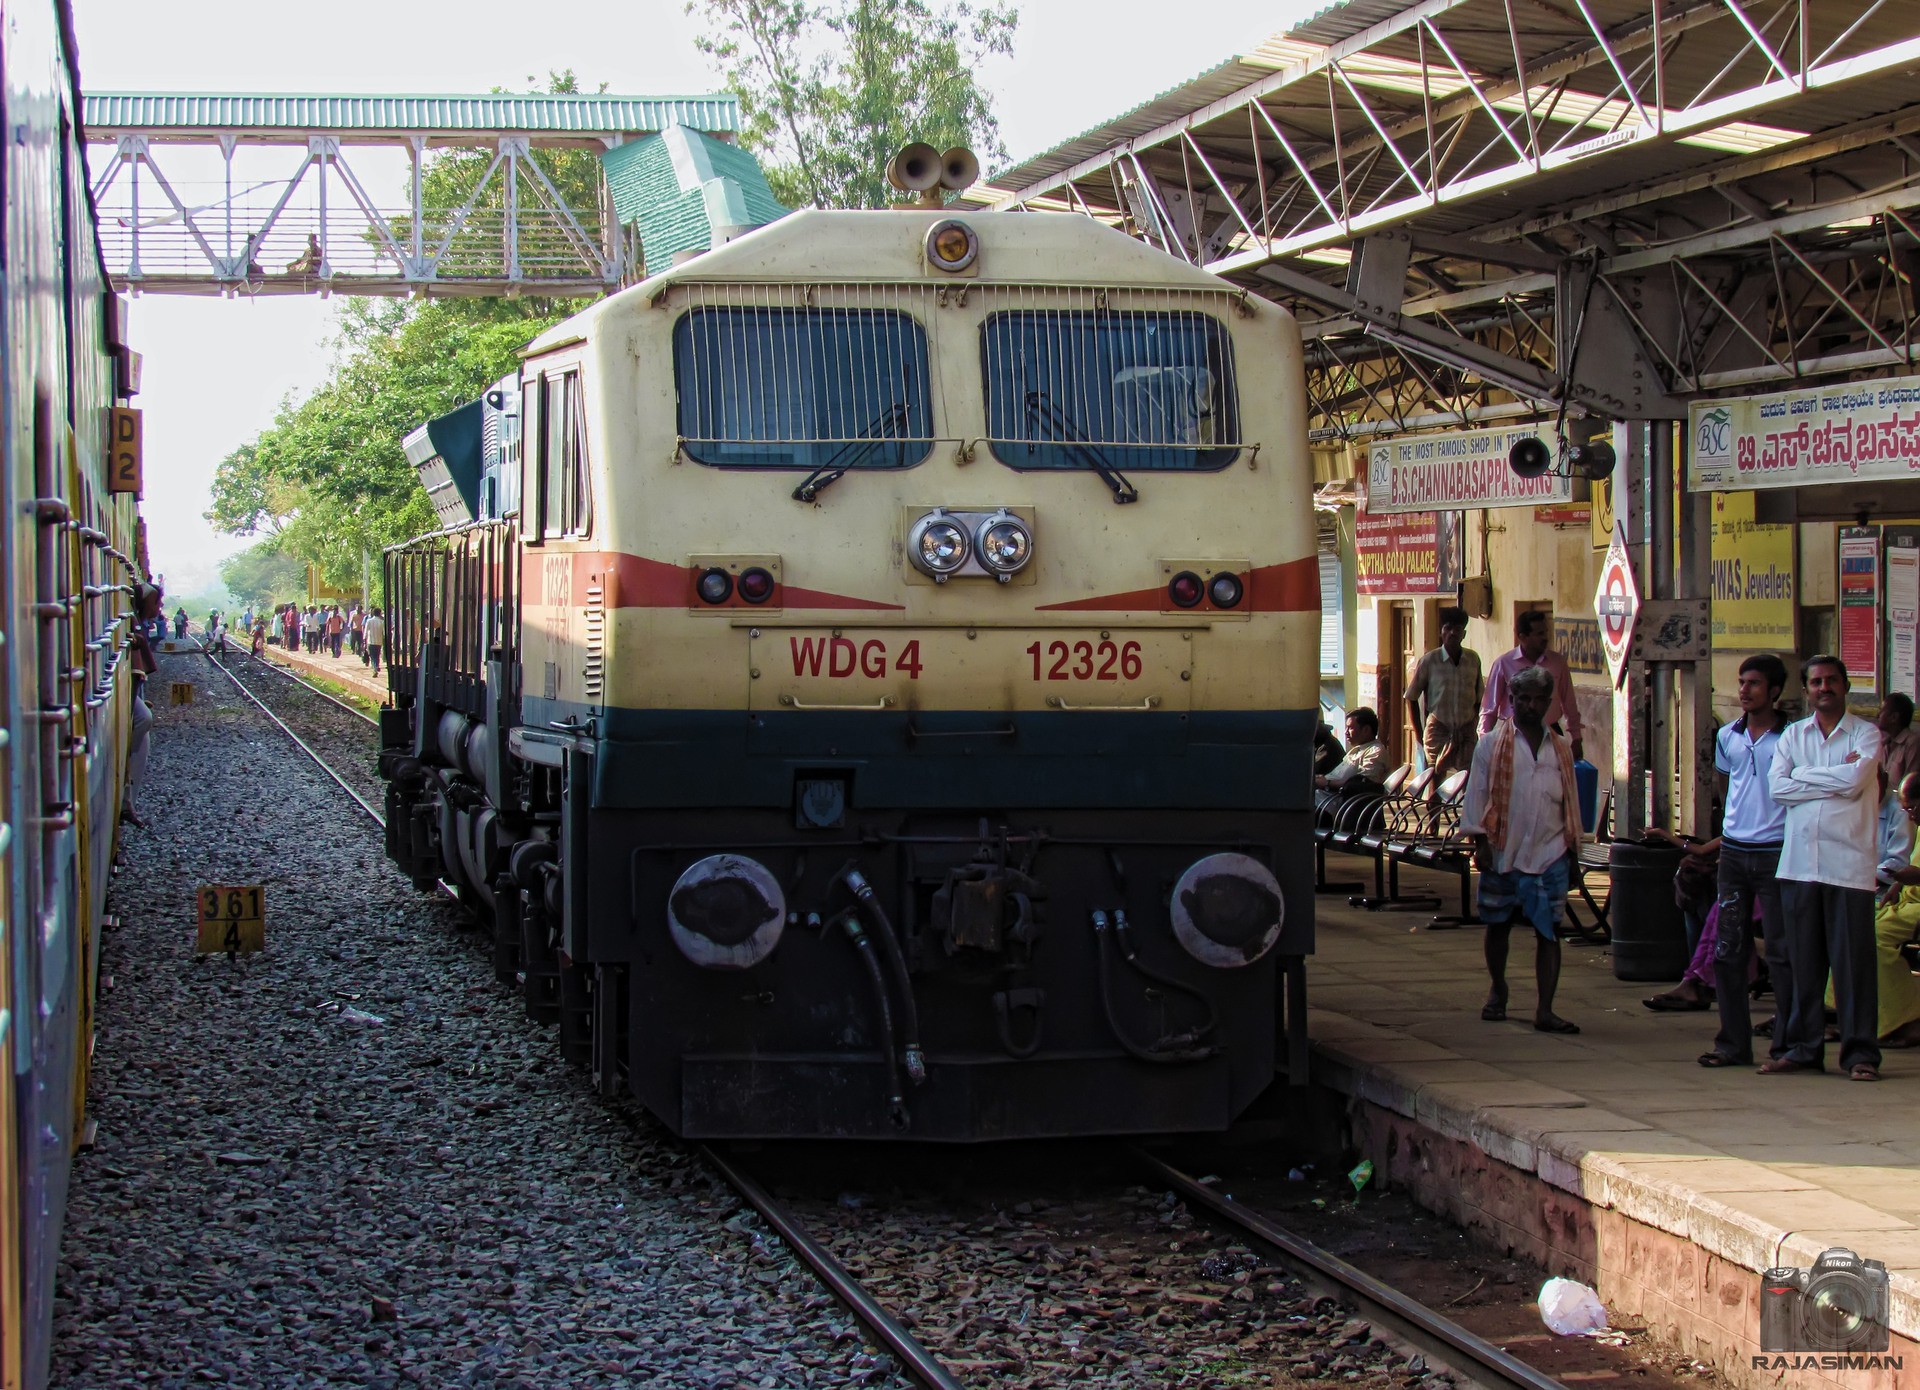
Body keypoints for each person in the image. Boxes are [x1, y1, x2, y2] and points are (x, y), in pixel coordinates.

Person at [1767, 653, 1882, 1080]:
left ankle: (1860, 1055)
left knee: (1853, 967)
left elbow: (1855, 785)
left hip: (1848, 865)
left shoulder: (1866, 735)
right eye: (1816, 682)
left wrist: (1806, 778)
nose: (1824, 688)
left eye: (1832, 680)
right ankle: (1802, 1049)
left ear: (1846, 685)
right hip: (1799, 865)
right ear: (1807, 689)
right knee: (1803, 965)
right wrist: (1832, 775)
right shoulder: (1793, 735)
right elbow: (1778, 787)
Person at [1679, 654, 1795, 1069]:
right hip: (1735, 854)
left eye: (1755, 684)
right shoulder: (1728, 735)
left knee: (1781, 954)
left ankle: (1787, 1045)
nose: (1745, 690)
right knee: (1728, 950)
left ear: (1775, 691)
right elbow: (1729, 789)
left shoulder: (1792, 738)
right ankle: (1732, 1043)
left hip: (1777, 853)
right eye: (1742, 683)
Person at [1461, 665, 1583, 1034]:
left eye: (1538, 699)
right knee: (1497, 925)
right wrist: (1480, 841)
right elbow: (1477, 794)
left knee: (1549, 932)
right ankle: (1498, 990)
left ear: (1549, 703)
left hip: (1550, 850)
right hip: (1503, 849)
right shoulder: (1491, 745)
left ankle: (1545, 1009)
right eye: (1522, 698)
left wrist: (1573, 851)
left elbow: (1570, 803)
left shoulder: (1560, 748)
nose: (1530, 705)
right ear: (1511, 701)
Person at [1479, 610, 1583, 761]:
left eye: (1546, 632)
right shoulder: (1503, 664)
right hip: (1514, 735)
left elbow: (1569, 703)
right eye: (1539, 634)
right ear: (1523, 637)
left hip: (1550, 733)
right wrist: (1484, 743)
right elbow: (1489, 709)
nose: (1545, 638)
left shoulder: (1557, 662)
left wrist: (1577, 738)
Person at [1868, 773, 1920, 1049]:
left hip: (1918, 905)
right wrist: (1896, 887)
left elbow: (1911, 869)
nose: (1910, 816)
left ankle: (1906, 1019)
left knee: (1876, 937)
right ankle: (1842, 1012)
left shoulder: (1900, 817)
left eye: (1912, 808)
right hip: (1908, 898)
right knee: (1855, 927)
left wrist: (1899, 878)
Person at [1405, 606, 1483, 778]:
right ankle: (1434, 805)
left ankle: (1463, 806)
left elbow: (1479, 698)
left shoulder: (1473, 659)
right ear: (1441, 632)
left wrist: (1474, 723)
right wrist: (1419, 734)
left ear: (1464, 634)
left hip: (1466, 729)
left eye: (1457, 629)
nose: (1452, 633)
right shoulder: (1429, 661)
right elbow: (1411, 697)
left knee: (1468, 781)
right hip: (1438, 729)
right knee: (1435, 779)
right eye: (1447, 628)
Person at [124, 582, 161, 829]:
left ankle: (128, 802)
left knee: (145, 735)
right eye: (155, 602)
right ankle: (127, 799)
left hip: (134, 695)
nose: (158, 607)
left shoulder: (140, 623)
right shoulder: (135, 624)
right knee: (144, 719)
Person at [1878, 694, 1919, 790]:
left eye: (1882, 711)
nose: (1877, 715)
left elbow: (1911, 785)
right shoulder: (1884, 744)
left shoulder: (1913, 743)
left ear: (1894, 717)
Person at [363, 607, 386, 677]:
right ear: (379, 614)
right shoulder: (382, 622)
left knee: (372, 656)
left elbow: (365, 631)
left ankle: (375, 669)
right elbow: (384, 633)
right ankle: (376, 666)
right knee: (377, 655)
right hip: (379, 642)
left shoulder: (369, 621)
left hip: (371, 641)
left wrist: (364, 640)